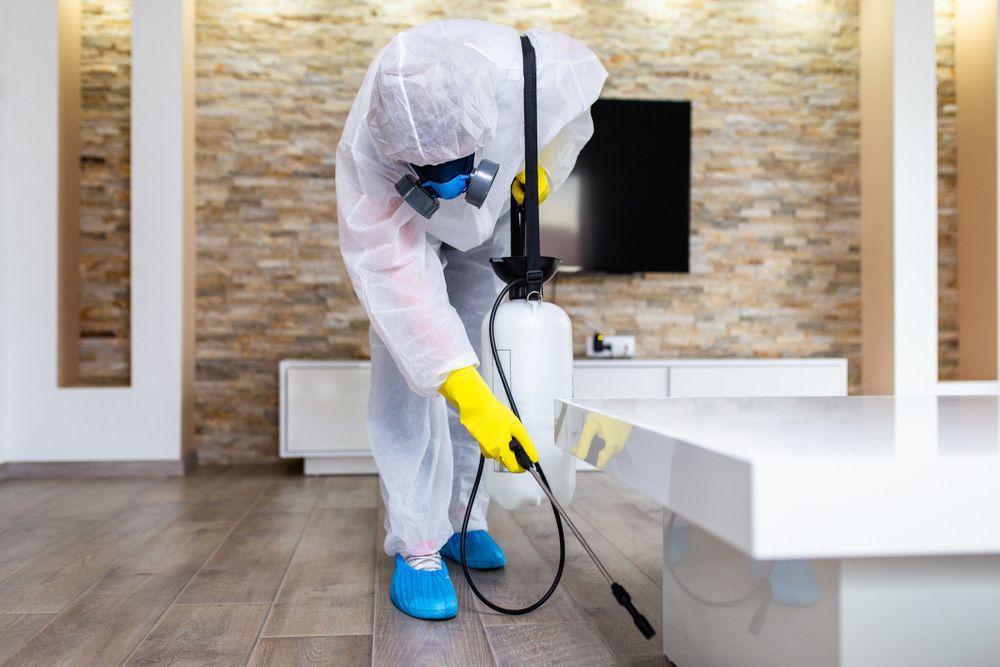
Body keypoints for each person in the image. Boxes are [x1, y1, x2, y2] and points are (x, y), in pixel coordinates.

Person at [336, 19, 606, 620]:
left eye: (456, 162)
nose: (446, 184)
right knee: (414, 371)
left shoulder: (525, 74)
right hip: (408, 231)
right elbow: (398, 286)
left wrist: (539, 172)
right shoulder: (370, 157)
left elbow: (577, 105)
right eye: (426, 172)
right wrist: (465, 393)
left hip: (495, 219)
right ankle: (419, 544)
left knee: (483, 348)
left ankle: (464, 516)